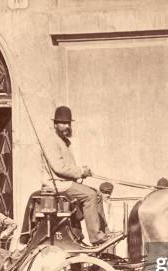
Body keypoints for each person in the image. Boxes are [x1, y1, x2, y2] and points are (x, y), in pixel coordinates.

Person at [41, 105, 116, 245]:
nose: (66, 126)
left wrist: (82, 171)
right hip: (56, 184)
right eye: (62, 123)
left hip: (65, 182)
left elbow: (67, 167)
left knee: (97, 194)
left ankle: (104, 233)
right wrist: (81, 171)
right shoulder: (51, 141)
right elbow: (59, 168)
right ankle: (96, 237)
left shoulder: (63, 141)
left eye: (68, 123)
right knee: (90, 195)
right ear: (55, 124)